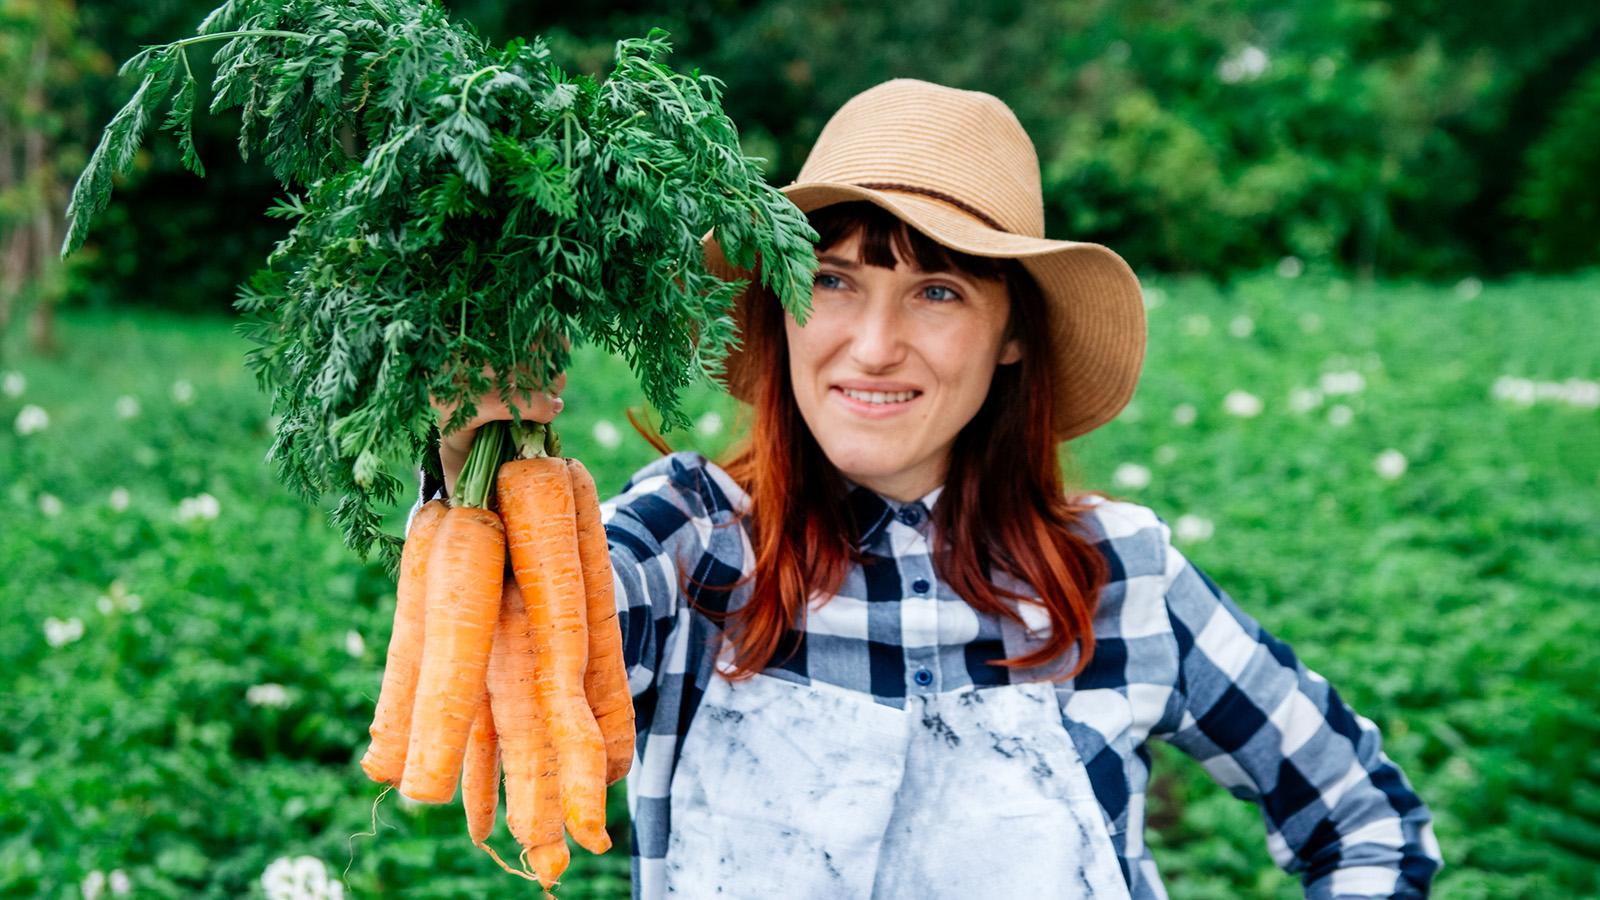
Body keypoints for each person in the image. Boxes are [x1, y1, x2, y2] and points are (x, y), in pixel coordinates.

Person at [428, 79, 1441, 900]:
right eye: (831, 279)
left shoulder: (1118, 577)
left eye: (938, 291)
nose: (873, 347)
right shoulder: (694, 545)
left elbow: (1365, 823)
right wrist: (477, 467)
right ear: (777, 307)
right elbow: (524, 622)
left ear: (1011, 336)